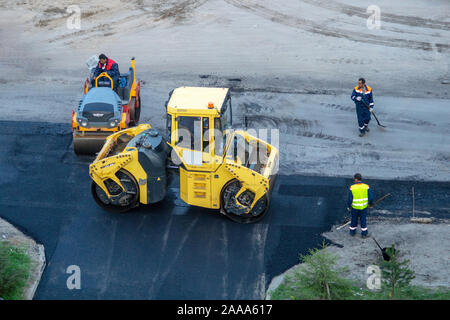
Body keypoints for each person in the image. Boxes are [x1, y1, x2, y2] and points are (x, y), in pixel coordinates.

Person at [347, 173, 374, 237]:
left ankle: (352, 232)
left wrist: (348, 206)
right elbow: (371, 197)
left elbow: (350, 199)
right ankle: (364, 233)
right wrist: (370, 204)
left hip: (355, 207)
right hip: (364, 207)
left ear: (356, 179)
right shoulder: (366, 186)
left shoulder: (352, 188)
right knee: (363, 220)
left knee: (354, 219)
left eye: (354, 179)